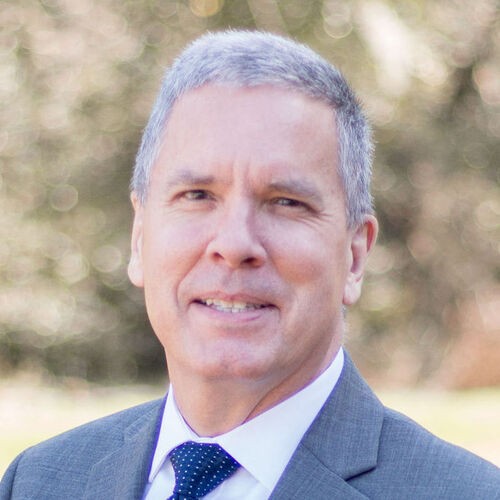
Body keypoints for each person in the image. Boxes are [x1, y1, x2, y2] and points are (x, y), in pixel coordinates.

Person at [1, 30, 499, 500]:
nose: (235, 244)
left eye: (286, 202)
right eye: (197, 195)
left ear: (354, 257)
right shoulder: (39, 482)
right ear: (139, 237)